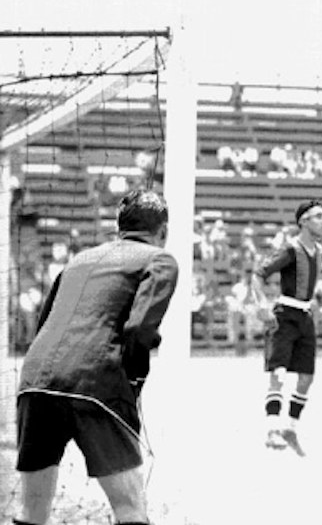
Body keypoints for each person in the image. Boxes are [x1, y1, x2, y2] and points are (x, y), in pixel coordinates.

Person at [15, 190, 178, 525]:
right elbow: (138, 330)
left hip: (35, 380)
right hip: (94, 378)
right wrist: (132, 384)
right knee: (130, 507)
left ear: (119, 227)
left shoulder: (78, 260)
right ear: (163, 231)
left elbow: (46, 322)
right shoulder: (160, 260)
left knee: (32, 511)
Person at [251, 199, 322, 456]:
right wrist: (261, 303)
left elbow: (307, 285)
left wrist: (314, 303)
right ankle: (271, 429)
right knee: (279, 372)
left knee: (306, 377)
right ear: (303, 221)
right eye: (318, 216)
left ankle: (290, 428)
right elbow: (258, 273)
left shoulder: (319, 250)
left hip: (304, 316)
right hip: (284, 317)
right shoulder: (290, 249)